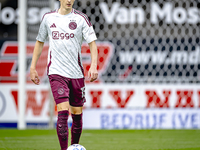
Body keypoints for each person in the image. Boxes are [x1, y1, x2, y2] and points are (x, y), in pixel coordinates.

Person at [30, 0, 98, 149]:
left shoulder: (81, 19)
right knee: (62, 110)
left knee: (77, 114)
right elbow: (40, 41)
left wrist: (94, 65)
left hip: (76, 73)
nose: (69, 0)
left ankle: (74, 146)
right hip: (56, 72)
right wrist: (33, 67)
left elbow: (92, 43)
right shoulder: (48, 18)